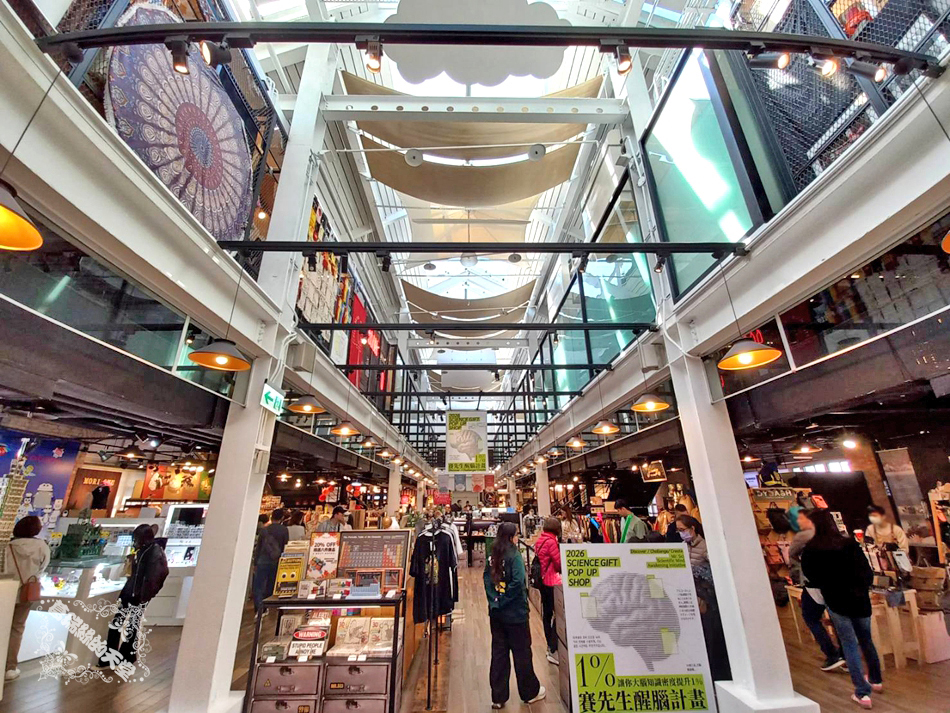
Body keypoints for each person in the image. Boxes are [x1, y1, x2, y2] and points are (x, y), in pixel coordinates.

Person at [802, 509, 882, 710]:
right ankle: (876, 679)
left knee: (849, 644)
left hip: (836, 601)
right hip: (860, 600)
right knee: (866, 639)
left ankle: (862, 693)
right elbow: (867, 572)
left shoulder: (812, 550)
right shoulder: (849, 544)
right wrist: (861, 588)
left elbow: (812, 577)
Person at [484, 521, 545, 708]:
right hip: (516, 613)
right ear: (511, 537)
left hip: (496, 614)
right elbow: (518, 582)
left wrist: (495, 601)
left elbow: (487, 580)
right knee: (522, 653)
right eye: (516, 534)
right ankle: (529, 692)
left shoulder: (493, 555)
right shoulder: (514, 555)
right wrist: (505, 600)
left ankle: (498, 697)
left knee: (499, 654)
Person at [104, 523, 168, 665]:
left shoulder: (153, 552)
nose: (135, 541)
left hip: (137, 595)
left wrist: (144, 594)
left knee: (123, 624)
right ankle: (124, 656)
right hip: (134, 593)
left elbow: (156, 576)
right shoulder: (146, 550)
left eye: (137, 538)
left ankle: (115, 657)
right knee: (129, 624)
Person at [789, 509, 845, 671]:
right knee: (838, 620)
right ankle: (846, 655)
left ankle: (831, 654)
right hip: (838, 584)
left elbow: (792, 553)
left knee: (811, 617)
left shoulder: (805, 538)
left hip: (815, 585)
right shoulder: (839, 537)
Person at [3, 516, 50, 680]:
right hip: (27, 592)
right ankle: (10, 667)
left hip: (6, 591)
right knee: (17, 629)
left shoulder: (8, 546)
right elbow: (42, 568)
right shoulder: (42, 547)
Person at [534, 517, 562, 664]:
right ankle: (553, 647)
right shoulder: (551, 542)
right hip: (552, 581)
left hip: (543, 581)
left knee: (547, 614)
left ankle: (549, 645)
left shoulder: (540, 540)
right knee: (558, 613)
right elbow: (558, 564)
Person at [253, 508, 289, 610]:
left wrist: (255, 562)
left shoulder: (264, 530)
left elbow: (259, 547)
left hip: (262, 560)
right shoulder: (284, 530)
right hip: (276, 561)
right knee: (271, 584)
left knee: (259, 585)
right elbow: (285, 545)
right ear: (282, 518)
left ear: (271, 517)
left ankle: (259, 607)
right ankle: (267, 605)